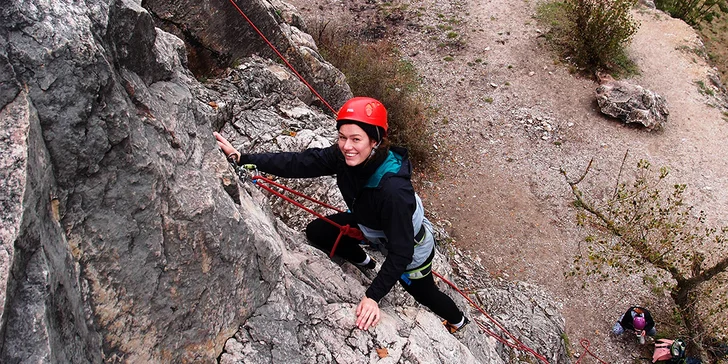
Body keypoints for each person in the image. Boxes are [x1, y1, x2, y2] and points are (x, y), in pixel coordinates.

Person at [215, 97, 469, 334]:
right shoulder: (343, 156)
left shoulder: (393, 191)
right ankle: (366, 263)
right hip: (371, 226)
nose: (347, 147)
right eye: (342, 137)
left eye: (356, 139)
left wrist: (372, 296)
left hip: (408, 242)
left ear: (376, 141)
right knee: (318, 232)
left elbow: (402, 253)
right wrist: (243, 158)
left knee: (423, 293)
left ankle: (458, 321)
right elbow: (300, 163)